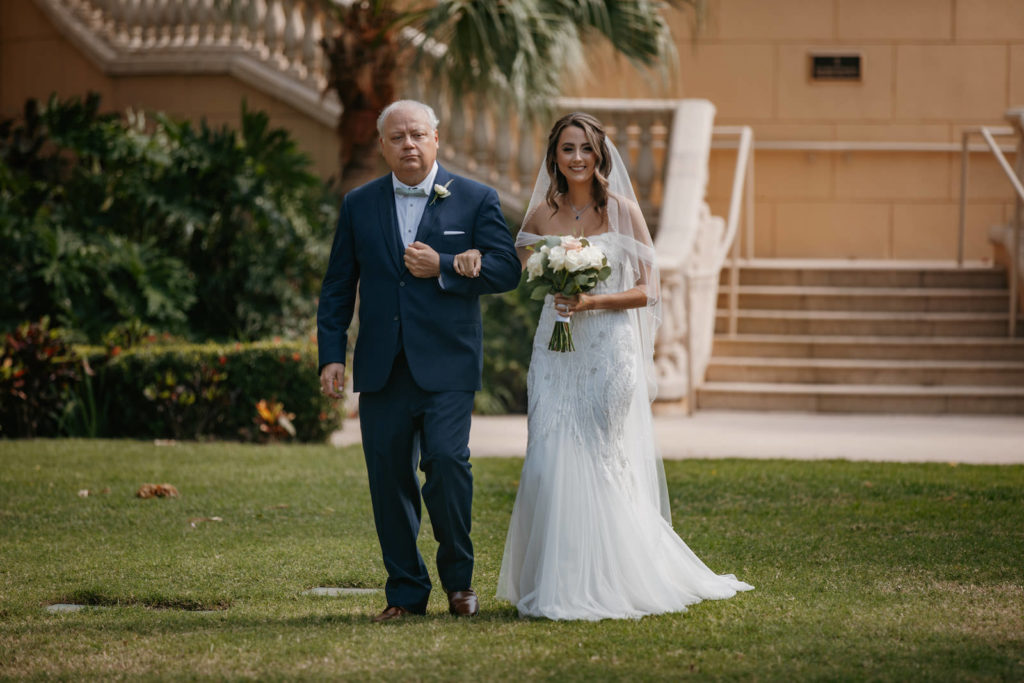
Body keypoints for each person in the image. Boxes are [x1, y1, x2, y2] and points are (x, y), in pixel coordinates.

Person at [493, 112, 753, 620]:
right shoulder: (540, 216)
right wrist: (468, 262)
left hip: (608, 350)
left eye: (586, 148)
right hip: (555, 347)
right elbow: (514, 265)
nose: (577, 158)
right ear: (555, 157)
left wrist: (591, 303)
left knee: (599, 455)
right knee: (547, 457)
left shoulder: (624, 211)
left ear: (600, 155)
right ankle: (552, 575)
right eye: (568, 148)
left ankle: (615, 574)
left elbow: (649, 290)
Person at [317, 100, 521, 623]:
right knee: (388, 479)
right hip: (382, 367)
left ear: (436, 139)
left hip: (447, 365)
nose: (408, 144)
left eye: (417, 135)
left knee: (448, 466)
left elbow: (506, 270)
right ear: (382, 145)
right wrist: (331, 356)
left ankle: (459, 581)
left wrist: (448, 264)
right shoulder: (359, 203)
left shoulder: (475, 198)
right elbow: (339, 285)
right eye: (397, 137)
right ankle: (406, 592)